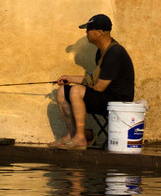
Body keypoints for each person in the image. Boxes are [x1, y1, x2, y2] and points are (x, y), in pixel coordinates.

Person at [51, 13, 135, 149]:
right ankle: (71, 135)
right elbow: (94, 80)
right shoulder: (101, 52)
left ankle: (80, 139)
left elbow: (99, 87)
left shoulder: (115, 52)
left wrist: (78, 88)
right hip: (104, 97)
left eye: (89, 29)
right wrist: (69, 78)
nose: (86, 33)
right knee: (62, 91)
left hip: (117, 102)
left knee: (76, 91)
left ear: (100, 32)